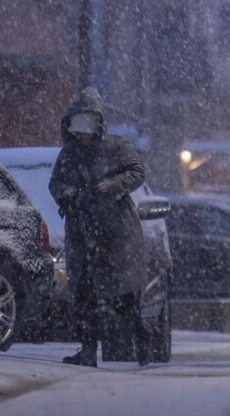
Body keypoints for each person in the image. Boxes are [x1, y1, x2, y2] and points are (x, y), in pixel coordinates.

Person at [49, 87, 150, 367]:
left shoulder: (117, 147)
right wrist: (65, 192)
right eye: (77, 126)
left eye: (87, 125)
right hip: (81, 233)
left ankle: (140, 344)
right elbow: (54, 182)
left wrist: (114, 186)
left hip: (116, 234)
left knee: (123, 295)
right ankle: (88, 350)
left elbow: (137, 172)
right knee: (84, 295)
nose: (81, 133)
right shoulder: (68, 154)